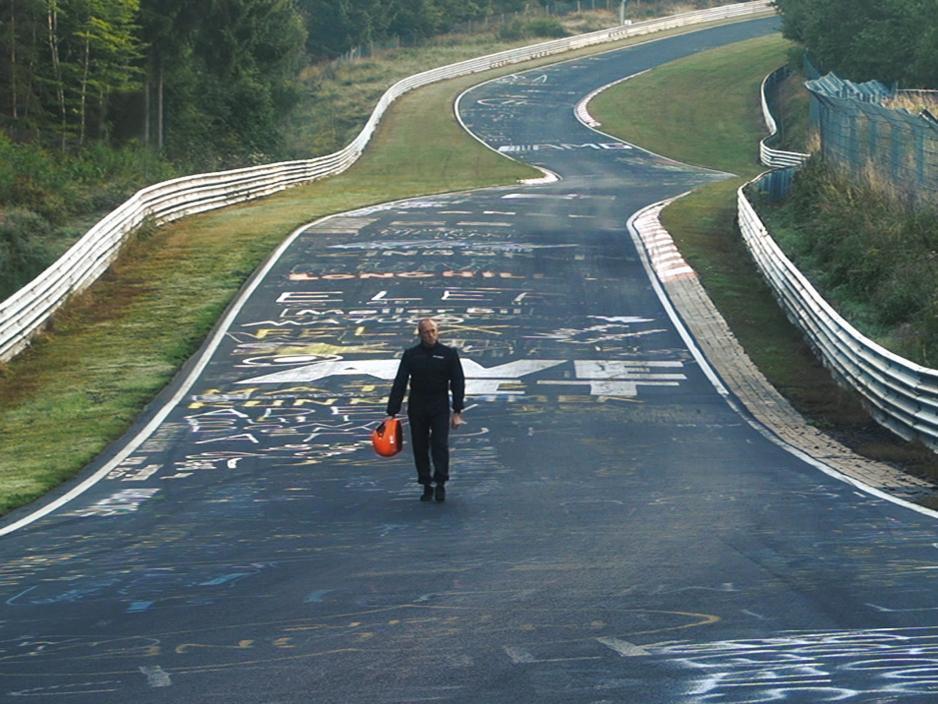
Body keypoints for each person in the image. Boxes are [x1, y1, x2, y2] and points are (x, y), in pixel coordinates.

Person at [385, 318, 465, 502]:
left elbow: (457, 382)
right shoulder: (411, 355)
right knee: (420, 446)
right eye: (426, 332)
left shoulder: (448, 354)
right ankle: (426, 483)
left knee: (439, 444)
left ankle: (441, 483)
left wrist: (457, 411)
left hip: (439, 405)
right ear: (419, 334)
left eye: (433, 331)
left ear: (438, 332)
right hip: (418, 405)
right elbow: (400, 382)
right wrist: (392, 410)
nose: (430, 335)